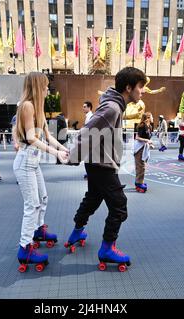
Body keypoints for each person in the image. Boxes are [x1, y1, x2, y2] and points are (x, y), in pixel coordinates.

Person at [65, 67, 147, 272]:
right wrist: (73, 158)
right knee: (119, 206)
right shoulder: (112, 108)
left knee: (93, 198)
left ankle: (77, 232)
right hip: (102, 166)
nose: (143, 91)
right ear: (128, 88)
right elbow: (87, 134)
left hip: (98, 164)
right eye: (140, 87)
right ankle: (107, 248)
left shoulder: (114, 106)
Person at [14, 72, 69, 272]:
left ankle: (37, 231)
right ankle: (24, 248)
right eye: (45, 86)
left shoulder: (38, 108)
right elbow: (31, 138)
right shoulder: (27, 106)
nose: (48, 89)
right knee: (32, 205)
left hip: (33, 163)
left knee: (43, 198)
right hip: (25, 163)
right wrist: (56, 153)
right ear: (37, 87)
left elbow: (47, 136)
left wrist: (63, 149)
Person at [134, 112, 155, 192]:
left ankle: (138, 182)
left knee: (142, 166)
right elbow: (137, 137)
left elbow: (147, 138)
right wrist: (147, 140)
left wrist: (150, 144)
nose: (153, 118)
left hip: (144, 147)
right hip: (139, 148)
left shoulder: (149, 126)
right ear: (148, 118)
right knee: (141, 166)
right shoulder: (142, 126)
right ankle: (139, 183)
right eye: (152, 117)